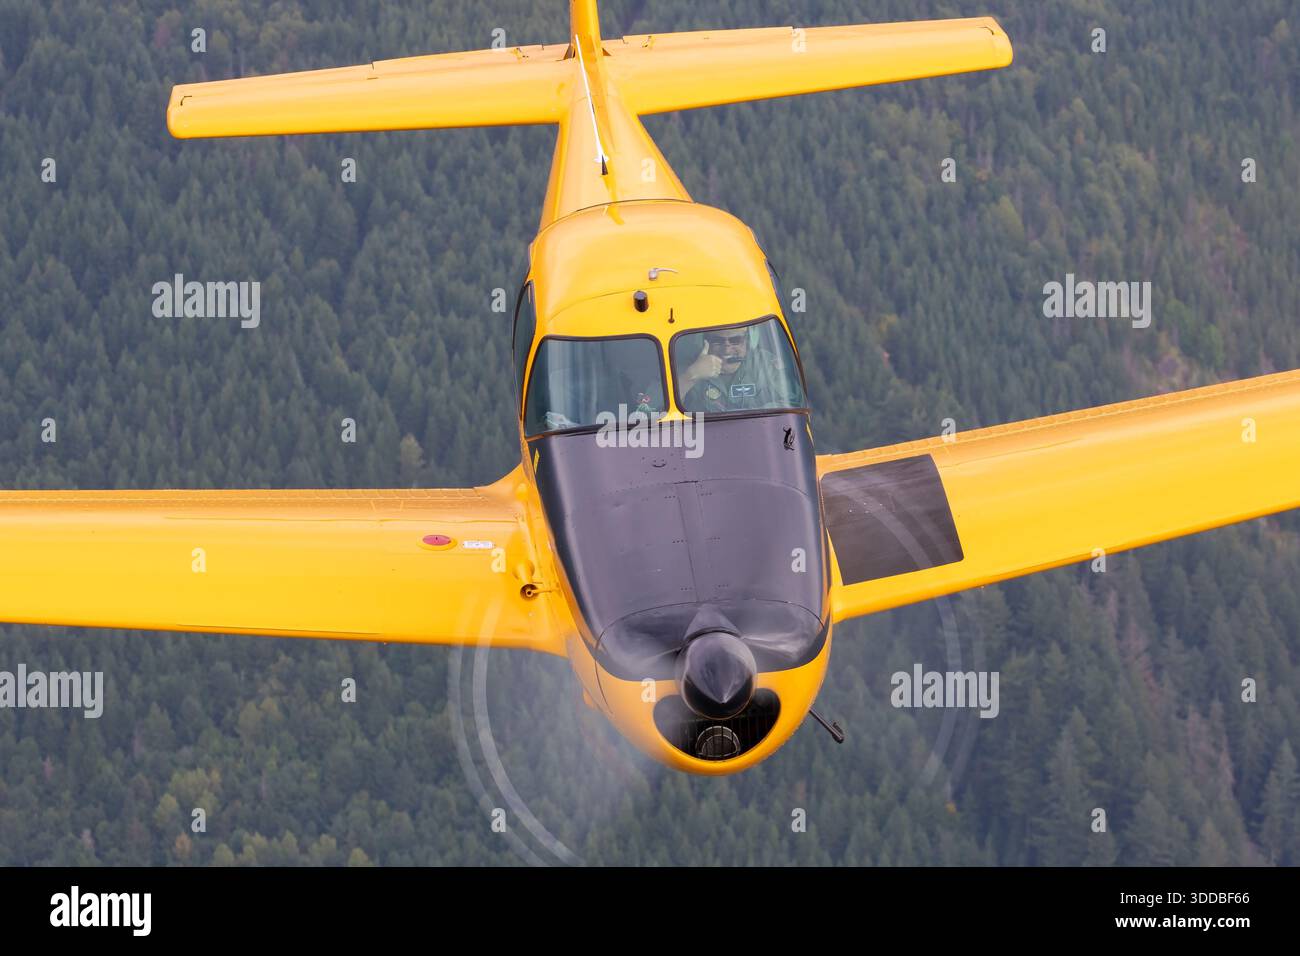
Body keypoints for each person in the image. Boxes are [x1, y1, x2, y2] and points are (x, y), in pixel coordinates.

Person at [676, 326, 802, 412]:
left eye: (735, 340)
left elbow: (794, 404)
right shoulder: (690, 366)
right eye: (717, 341)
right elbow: (662, 410)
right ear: (705, 342)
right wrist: (690, 376)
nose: (727, 350)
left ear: (748, 341)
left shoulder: (764, 364)